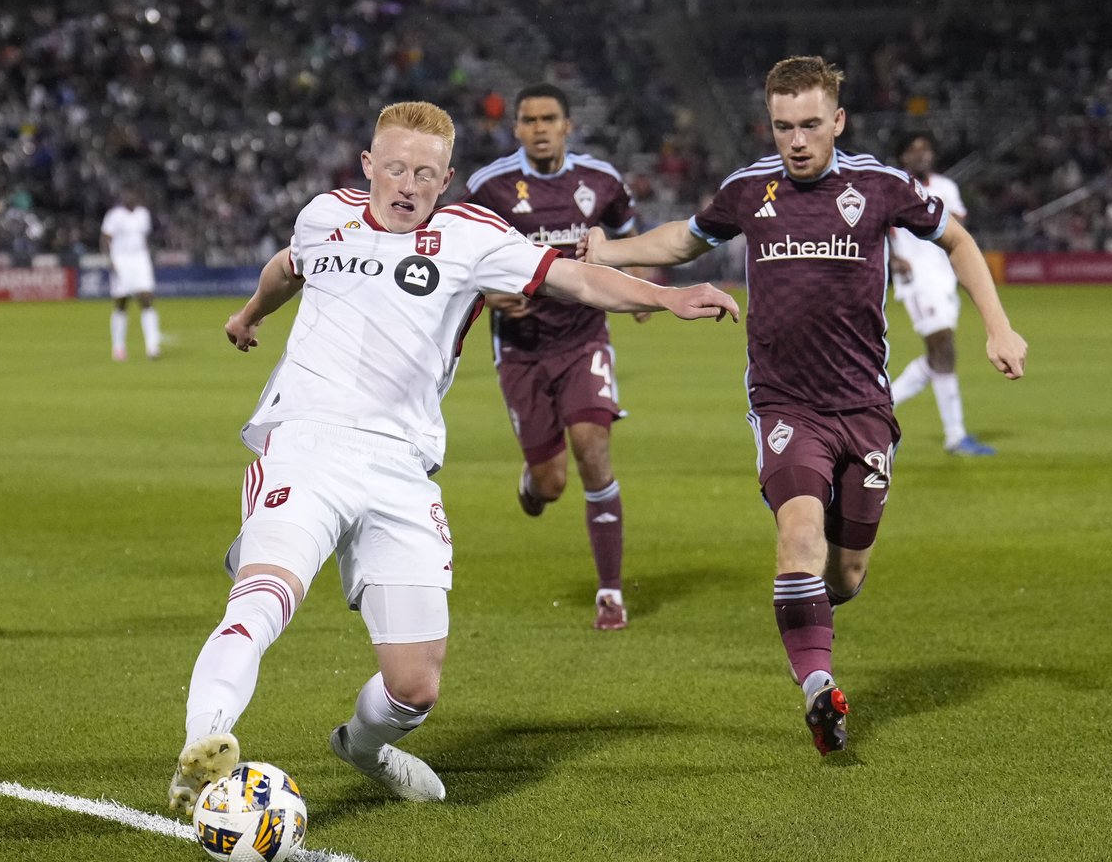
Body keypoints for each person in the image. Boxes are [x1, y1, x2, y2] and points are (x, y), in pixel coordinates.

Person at [167, 100, 739, 814]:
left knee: (414, 686)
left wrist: (669, 296)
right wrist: (249, 314)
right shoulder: (324, 214)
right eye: (397, 168)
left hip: (403, 466)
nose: (408, 184)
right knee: (264, 595)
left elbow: (578, 279)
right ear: (370, 166)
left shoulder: (474, 235)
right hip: (305, 443)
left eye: (426, 175)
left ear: (447, 181)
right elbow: (290, 266)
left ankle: (364, 747)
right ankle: (205, 748)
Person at [581, 57, 1026, 757]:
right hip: (787, 404)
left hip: (865, 406)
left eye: (811, 125)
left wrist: (998, 325)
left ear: (837, 122)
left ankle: (813, 611)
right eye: (784, 126)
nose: (796, 139)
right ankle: (820, 690)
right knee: (796, 538)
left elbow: (959, 241)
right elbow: (684, 239)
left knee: (844, 575)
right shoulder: (749, 189)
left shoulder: (879, 186)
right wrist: (610, 250)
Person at [463, 83, 645, 631]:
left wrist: (634, 284)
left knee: (593, 448)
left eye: (549, 118)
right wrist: (488, 293)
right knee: (552, 483)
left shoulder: (601, 180)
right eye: (528, 119)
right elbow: (459, 260)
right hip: (520, 350)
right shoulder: (487, 188)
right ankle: (533, 483)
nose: (539, 127)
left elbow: (625, 235)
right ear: (515, 128)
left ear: (568, 125)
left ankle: (610, 593)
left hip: (584, 336)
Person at [887, 132, 994, 456]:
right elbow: (876, 228)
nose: (922, 156)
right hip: (917, 281)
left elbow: (958, 230)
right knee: (944, 350)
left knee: (939, 357)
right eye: (914, 150)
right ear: (903, 157)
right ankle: (955, 435)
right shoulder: (892, 187)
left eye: (927, 150)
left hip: (944, 280)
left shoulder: (946, 188)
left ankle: (875, 408)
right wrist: (892, 257)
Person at [100, 188, 161, 361]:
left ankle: (152, 346)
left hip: (140, 259)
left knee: (147, 298)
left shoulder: (143, 214)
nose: (130, 198)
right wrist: (109, 259)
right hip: (121, 259)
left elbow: (145, 237)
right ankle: (118, 347)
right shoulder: (115, 215)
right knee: (122, 302)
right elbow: (105, 237)